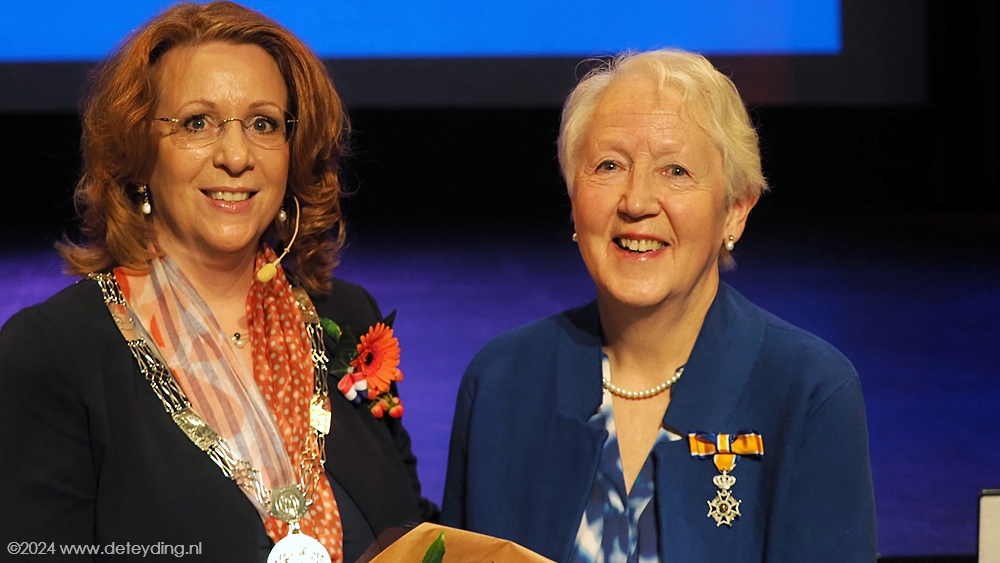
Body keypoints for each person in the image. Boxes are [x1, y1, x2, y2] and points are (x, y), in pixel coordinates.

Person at [0, 3, 437, 562]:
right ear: (138, 152)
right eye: (197, 123)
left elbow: (415, 533)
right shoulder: (53, 352)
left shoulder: (346, 317)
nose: (235, 156)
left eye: (263, 124)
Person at [442, 49, 876, 562]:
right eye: (609, 166)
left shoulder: (809, 391)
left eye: (675, 171)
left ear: (735, 211)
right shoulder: (501, 382)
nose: (637, 202)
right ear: (574, 199)